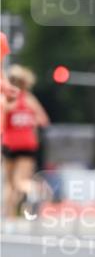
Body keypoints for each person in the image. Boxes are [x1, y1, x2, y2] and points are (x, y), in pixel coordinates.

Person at [1, 64, 50, 218]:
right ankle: (31, 190)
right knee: (21, 180)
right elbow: (43, 121)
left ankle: (9, 216)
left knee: (11, 183)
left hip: (10, 144)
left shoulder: (7, 99)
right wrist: (29, 122)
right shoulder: (30, 100)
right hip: (28, 144)